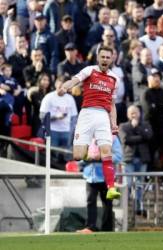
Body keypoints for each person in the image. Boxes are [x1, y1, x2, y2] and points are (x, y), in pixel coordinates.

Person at [60, 45, 120, 200]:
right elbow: (75, 80)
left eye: (108, 57)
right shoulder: (90, 70)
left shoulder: (114, 78)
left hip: (103, 116)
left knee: (106, 151)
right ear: (98, 57)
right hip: (87, 113)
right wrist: (65, 86)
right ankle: (86, 152)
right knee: (78, 155)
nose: (105, 59)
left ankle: (111, 187)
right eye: (103, 57)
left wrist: (114, 123)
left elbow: (112, 104)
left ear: (112, 58)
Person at [77, 135, 123, 233]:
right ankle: (90, 227)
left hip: (106, 176)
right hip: (90, 176)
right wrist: (86, 157)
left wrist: (102, 156)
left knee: (107, 203)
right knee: (90, 201)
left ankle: (107, 228)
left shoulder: (112, 138)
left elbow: (118, 156)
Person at [119, 105, 153, 215]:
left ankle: (138, 207)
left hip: (142, 159)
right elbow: (126, 140)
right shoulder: (123, 126)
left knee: (139, 185)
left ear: (139, 113)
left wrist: (137, 128)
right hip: (129, 159)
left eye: (136, 112)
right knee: (127, 184)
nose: (134, 115)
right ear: (128, 115)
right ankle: (125, 206)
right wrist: (140, 137)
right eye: (131, 113)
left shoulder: (145, 125)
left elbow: (149, 136)